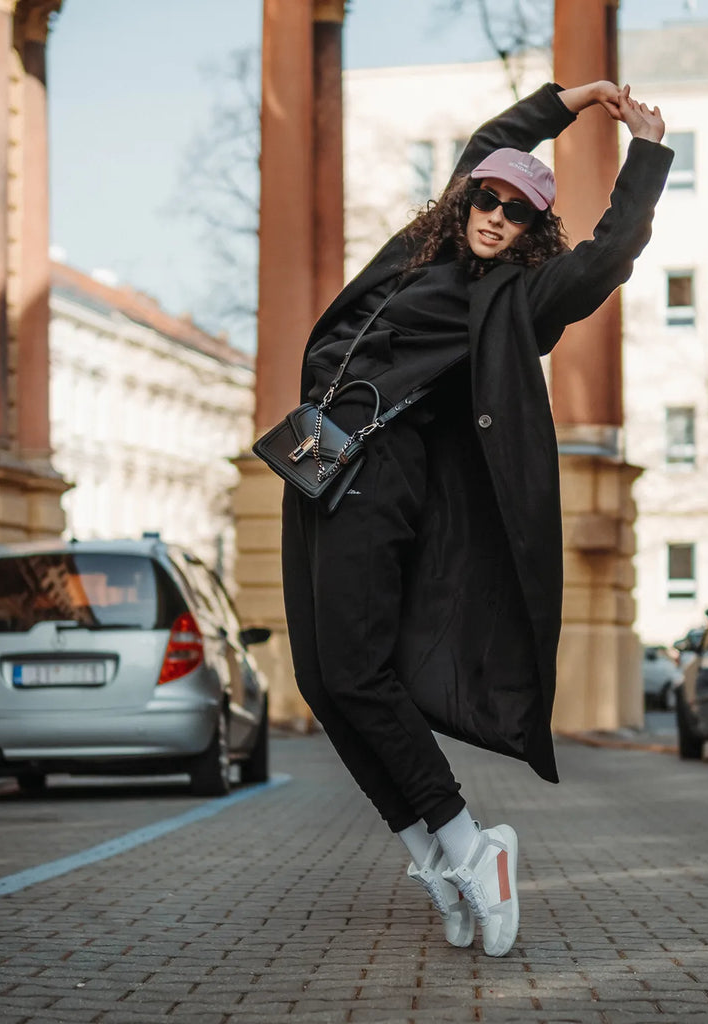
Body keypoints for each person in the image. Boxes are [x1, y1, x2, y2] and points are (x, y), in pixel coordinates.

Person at [281, 80, 672, 957]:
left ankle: (472, 844)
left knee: (358, 670)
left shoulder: (511, 302)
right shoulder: (418, 253)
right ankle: (434, 858)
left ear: (533, 231)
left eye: (517, 212)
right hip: (314, 462)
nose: (495, 216)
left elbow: (610, 255)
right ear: (465, 199)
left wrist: (644, 155)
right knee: (319, 677)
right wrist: (573, 99)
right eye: (487, 199)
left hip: (381, 474)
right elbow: (494, 136)